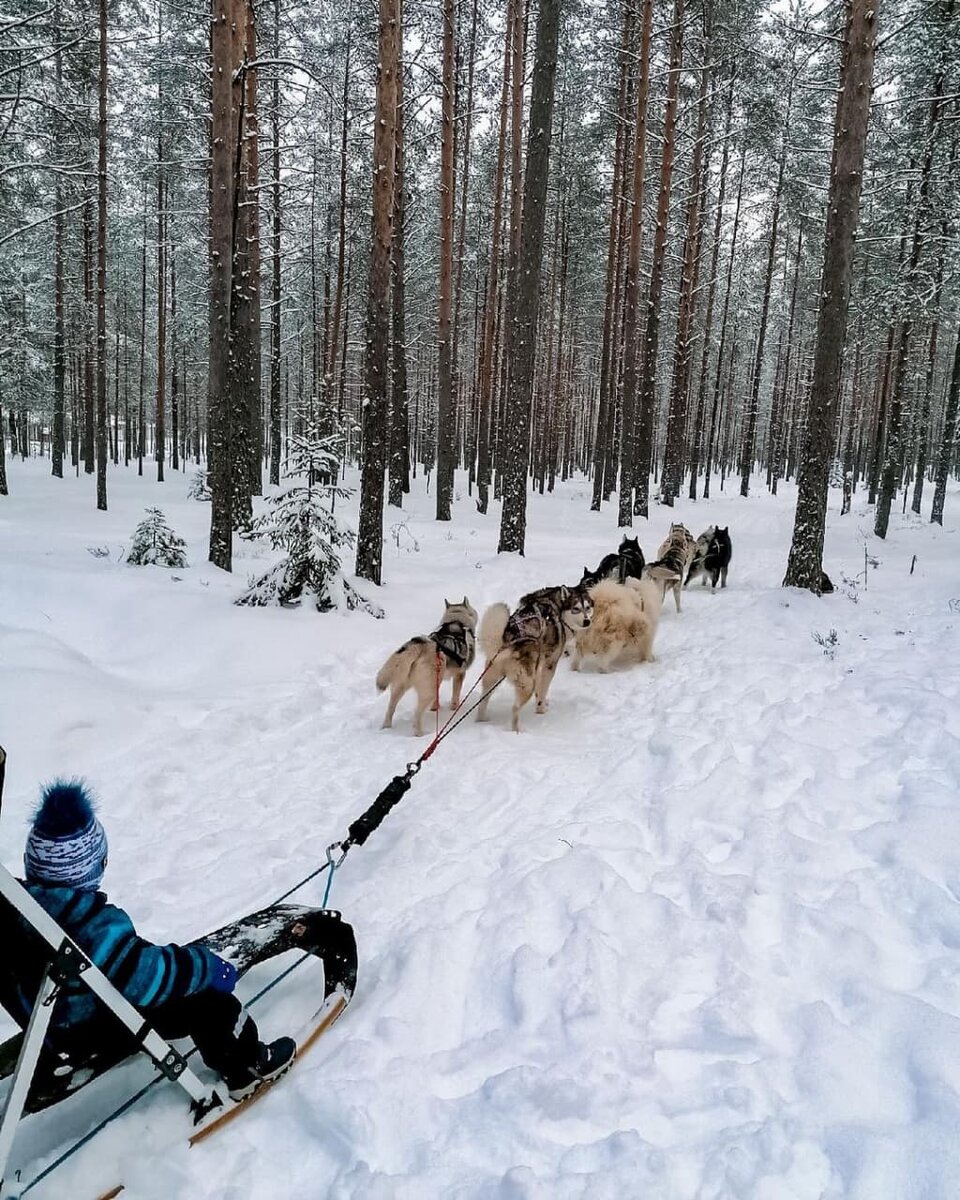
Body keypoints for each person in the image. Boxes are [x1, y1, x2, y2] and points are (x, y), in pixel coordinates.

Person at [3, 780, 295, 1101]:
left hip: (52, 1014)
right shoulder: (91, 925)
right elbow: (145, 978)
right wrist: (203, 967)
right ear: (86, 871)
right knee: (211, 1004)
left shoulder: (20, 907)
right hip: (90, 1026)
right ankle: (248, 1067)